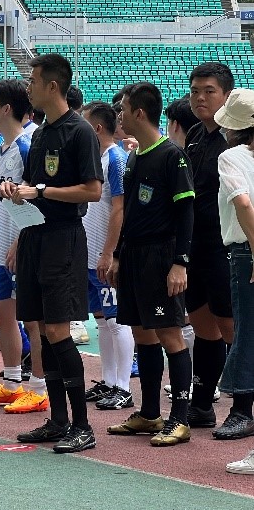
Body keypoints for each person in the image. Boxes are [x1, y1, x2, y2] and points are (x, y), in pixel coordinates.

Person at [0, 53, 102, 454]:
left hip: (63, 239)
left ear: (52, 86)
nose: (28, 88)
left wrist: (39, 191)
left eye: (33, 81)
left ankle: (82, 425)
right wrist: (18, 191)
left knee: (58, 330)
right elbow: (34, 185)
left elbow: (92, 191)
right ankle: (58, 420)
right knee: (41, 329)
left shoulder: (80, 131)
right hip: (35, 235)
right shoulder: (41, 133)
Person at [106, 81, 194, 447]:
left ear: (139, 113)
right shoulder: (134, 156)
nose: (119, 115)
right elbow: (129, 212)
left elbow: (186, 212)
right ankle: (150, 413)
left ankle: (181, 419)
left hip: (161, 256)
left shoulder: (172, 156)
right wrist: (116, 255)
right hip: (133, 256)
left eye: (123, 109)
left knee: (169, 334)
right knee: (143, 332)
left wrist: (180, 263)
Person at [0, 79, 49, 414]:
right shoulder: (1, 148)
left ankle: (39, 388)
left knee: (32, 319)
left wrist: (20, 241)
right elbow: (2, 203)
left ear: (6, 109)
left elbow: (36, 199)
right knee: (3, 312)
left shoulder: (27, 146)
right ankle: (12, 382)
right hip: (2, 246)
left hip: (24, 247)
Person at [184, 62, 235, 428]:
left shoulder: (236, 139)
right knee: (203, 327)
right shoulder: (195, 135)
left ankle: (243, 408)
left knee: (232, 329)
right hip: (195, 246)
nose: (200, 98)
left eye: (209, 91)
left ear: (227, 95)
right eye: (195, 91)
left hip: (224, 247)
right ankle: (201, 405)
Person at [81, 101, 135, 410]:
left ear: (98, 128)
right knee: (102, 321)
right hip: (91, 255)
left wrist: (109, 252)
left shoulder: (115, 159)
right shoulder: (97, 157)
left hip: (105, 254)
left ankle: (124, 388)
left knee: (117, 321)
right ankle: (109, 381)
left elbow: (120, 207)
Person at [212, 89, 254, 473]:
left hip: (245, 252)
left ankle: (243, 412)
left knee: (248, 336)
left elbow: (242, 202)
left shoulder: (231, 156)